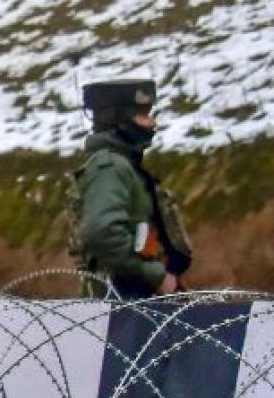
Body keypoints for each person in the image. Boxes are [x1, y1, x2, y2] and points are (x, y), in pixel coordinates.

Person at [68, 79, 193, 299]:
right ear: (118, 120)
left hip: (133, 298)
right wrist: (157, 276)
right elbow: (103, 233)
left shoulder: (122, 165)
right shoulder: (109, 167)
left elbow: (136, 233)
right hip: (122, 299)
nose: (152, 123)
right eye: (143, 115)